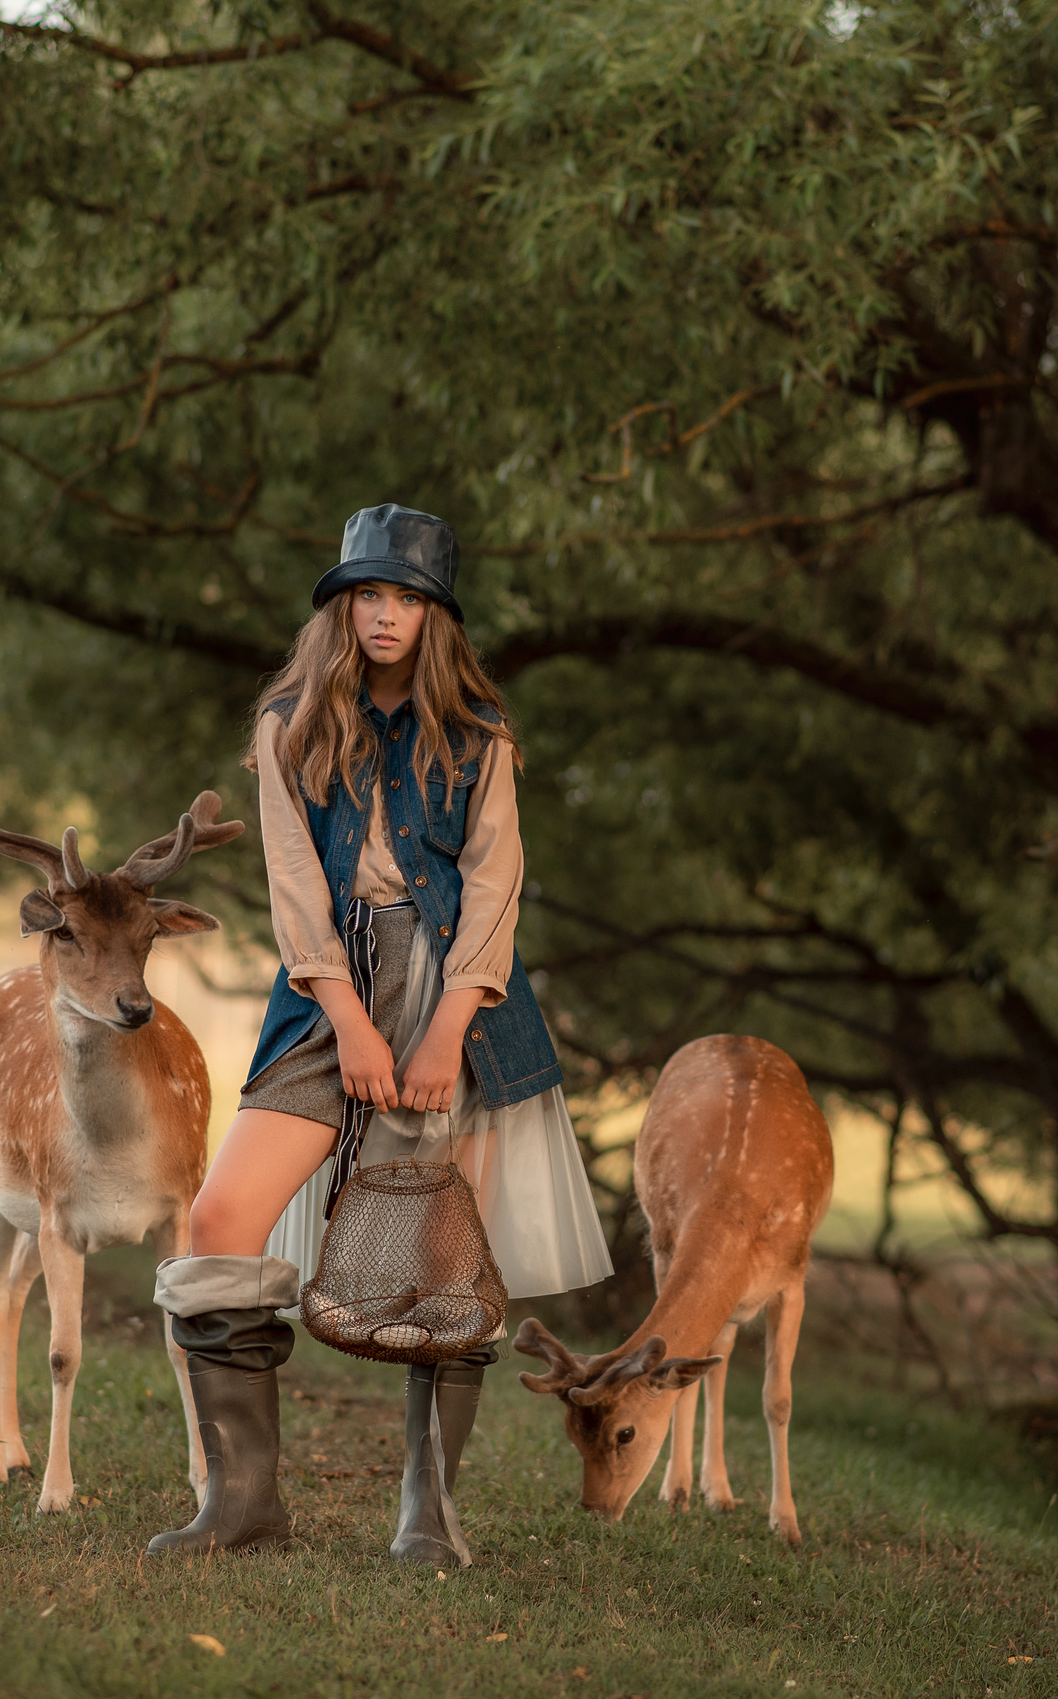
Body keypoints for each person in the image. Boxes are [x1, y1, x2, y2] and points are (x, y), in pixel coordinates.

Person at [146, 504, 613, 1563]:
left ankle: (429, 1517)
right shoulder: (291, 723)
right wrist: (350, 1020)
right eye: (369, 593)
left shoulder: (481, 737)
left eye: (406, 597)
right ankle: (244, 1505)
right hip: (327, 991)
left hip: (462, 996)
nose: (385, 614)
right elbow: (292, 882)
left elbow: (495, 887)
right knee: (221, 1215)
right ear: (341, 605)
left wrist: (445, 1025)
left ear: (435, 616)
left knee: (446, 1264)